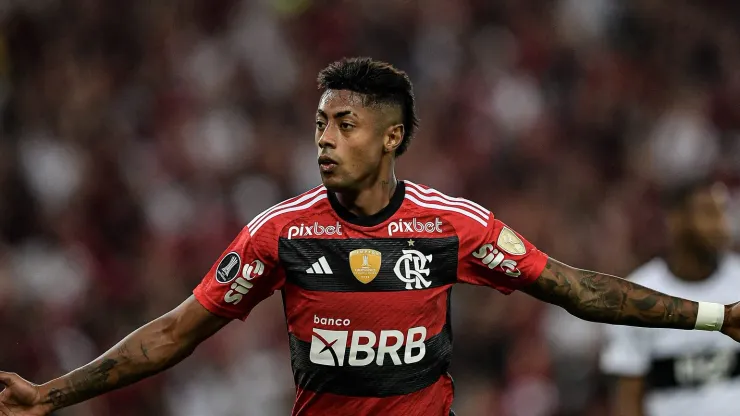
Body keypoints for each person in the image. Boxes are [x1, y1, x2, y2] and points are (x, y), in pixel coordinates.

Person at [1, 57, 739, 416]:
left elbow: (576, 289)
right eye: (320, 123)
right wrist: (52, 396)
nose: (324, 138)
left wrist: (716, 317)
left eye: (343, 124)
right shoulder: (278, 234)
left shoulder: (454, 226)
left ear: (391, 139)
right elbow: (173, 335)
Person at [601, 180, 740, 416]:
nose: (721, 224)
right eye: (708, 212)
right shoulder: (637, 295)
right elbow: (629, 395)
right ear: (676, 220)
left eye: (723, 211)